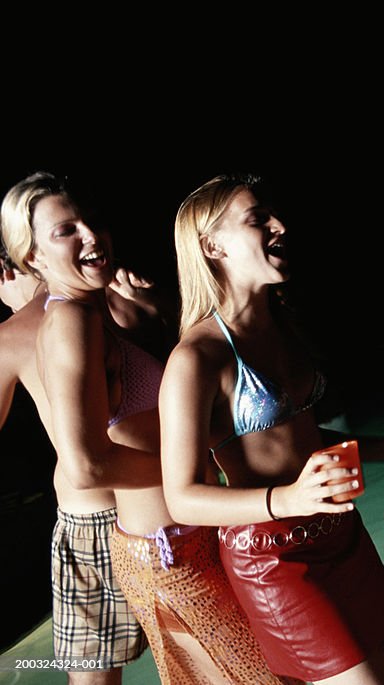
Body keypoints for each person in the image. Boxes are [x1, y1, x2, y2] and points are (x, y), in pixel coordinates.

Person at [1, 171, 293, 685]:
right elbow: (87, 465)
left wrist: (156, 311)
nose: (91, 235)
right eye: (65, 231)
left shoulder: (97, 313)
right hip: (166, 548)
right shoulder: (70, 321)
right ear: (32, 258)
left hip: (177, 539)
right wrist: (187, 474)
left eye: (91, 222)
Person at [160, 173, 384, 685]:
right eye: (258, 220)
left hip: (342, 535)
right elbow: (183, 498)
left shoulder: (283, 326)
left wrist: (382, 448)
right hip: (274, 560)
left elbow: (295, 442)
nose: (280, 226)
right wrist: (285, 501)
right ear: (212, 244)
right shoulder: (197, 358)